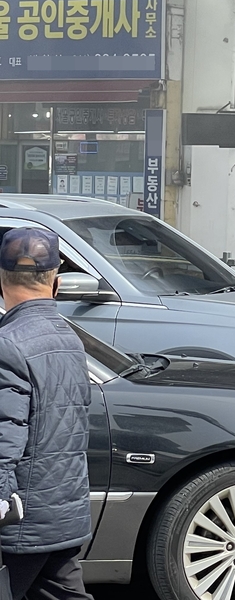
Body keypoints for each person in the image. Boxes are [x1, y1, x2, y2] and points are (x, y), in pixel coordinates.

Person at [0, 228, 92, 600]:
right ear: (55, 280)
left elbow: (6, 429)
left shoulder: (8, 343)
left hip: (22, 522)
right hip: (63, 513)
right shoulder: (70, 339)